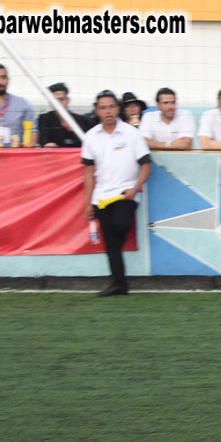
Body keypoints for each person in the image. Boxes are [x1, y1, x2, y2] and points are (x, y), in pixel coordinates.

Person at [82, 91, 150, 297]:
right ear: (97, 111)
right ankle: (119, 284)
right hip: (101, 197)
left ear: (118, 108)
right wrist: (88, 203)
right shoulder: (90, 136)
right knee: (111, 243)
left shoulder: (131, 133)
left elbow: (146, 165)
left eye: (111, 106)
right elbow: (88, 172)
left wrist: (135, 188)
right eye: (103, 108)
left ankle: (119, 282)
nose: (108, 111)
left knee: (119, 226)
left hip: (125, 194)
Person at [37, 82, 92, 148]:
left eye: (62, 99)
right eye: (55, 100)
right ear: (50, 102)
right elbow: (45, 142)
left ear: (68, 100)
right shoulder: (45, 119)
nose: (58, 103)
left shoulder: (83, 121)